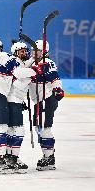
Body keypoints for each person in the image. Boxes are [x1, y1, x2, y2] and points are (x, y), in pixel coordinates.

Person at [0, 36, 44, 174]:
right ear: (0, 45)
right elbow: (17, 72)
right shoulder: (4, 56)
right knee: (2, 127)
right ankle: (1, 162)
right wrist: (34, 71)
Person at [28, 40, 64, 171]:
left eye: (36, 50)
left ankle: (49, 158)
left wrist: (58, 89)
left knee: (45, 129)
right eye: (33, 50)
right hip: (39, 100)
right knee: (39, 129)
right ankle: (47, 155)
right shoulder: (32, 62)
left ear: (44, 51)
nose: (33, 52)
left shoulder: (48, 62)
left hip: (47, 98)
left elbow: (55, 78)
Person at [5, 41, 37, 174]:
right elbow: (18, 73)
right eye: (21, 51)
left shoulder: (20, 61)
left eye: (25, 50)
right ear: (15, 52)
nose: (25, 53)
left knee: (12, 130)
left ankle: (10, 157)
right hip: (13, 100)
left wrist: (33, 60)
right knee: (18, 131)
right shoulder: (15, 61)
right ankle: (13, 158)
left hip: (15, 100)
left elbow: (24, 66)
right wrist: (33, 72)